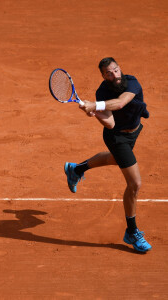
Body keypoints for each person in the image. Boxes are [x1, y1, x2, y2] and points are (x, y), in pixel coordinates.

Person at [64, 57, 152, 252]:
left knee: (115, 160)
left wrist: (95, 106)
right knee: (135, 184)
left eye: (116, 70)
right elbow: (110, 123)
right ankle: (132, 231)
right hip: (116, 137)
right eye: (109, 73)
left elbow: (121, 103)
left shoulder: (132, 82)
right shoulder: (102, 92)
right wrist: (95, 113)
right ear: (103, 76)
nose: (115, 75)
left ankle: (76, 169)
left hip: (134, 132)